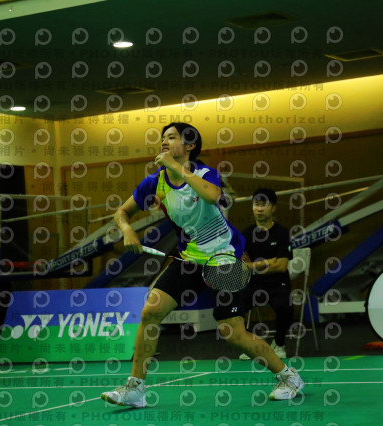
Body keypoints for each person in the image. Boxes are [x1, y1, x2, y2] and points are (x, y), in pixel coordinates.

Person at [101, 123, 304, 407]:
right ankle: (135, 389)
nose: (164, 142)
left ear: (190, 145)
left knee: (232, 332)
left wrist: (175, 166)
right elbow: (122, 212)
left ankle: (288, 377)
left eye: (172, 137)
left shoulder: (205, 173)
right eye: (163, 138)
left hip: (223, 258)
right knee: (150, 312)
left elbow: (212, 195)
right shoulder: (155, 182)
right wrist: (127, 230)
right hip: (188, 259)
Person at [240, 188, 294, 360]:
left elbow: (281, 266)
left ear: (273, 208)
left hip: (277, 283)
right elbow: (243, 267)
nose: (259, 209)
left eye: (264, 205)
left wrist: (253, 265)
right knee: (231, 307)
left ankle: (278, 343)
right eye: (256, 204)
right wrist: (270, 262)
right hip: (253, 283)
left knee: (285, 306)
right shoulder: (245, 234)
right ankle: (251, 345)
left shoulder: (282, 233)